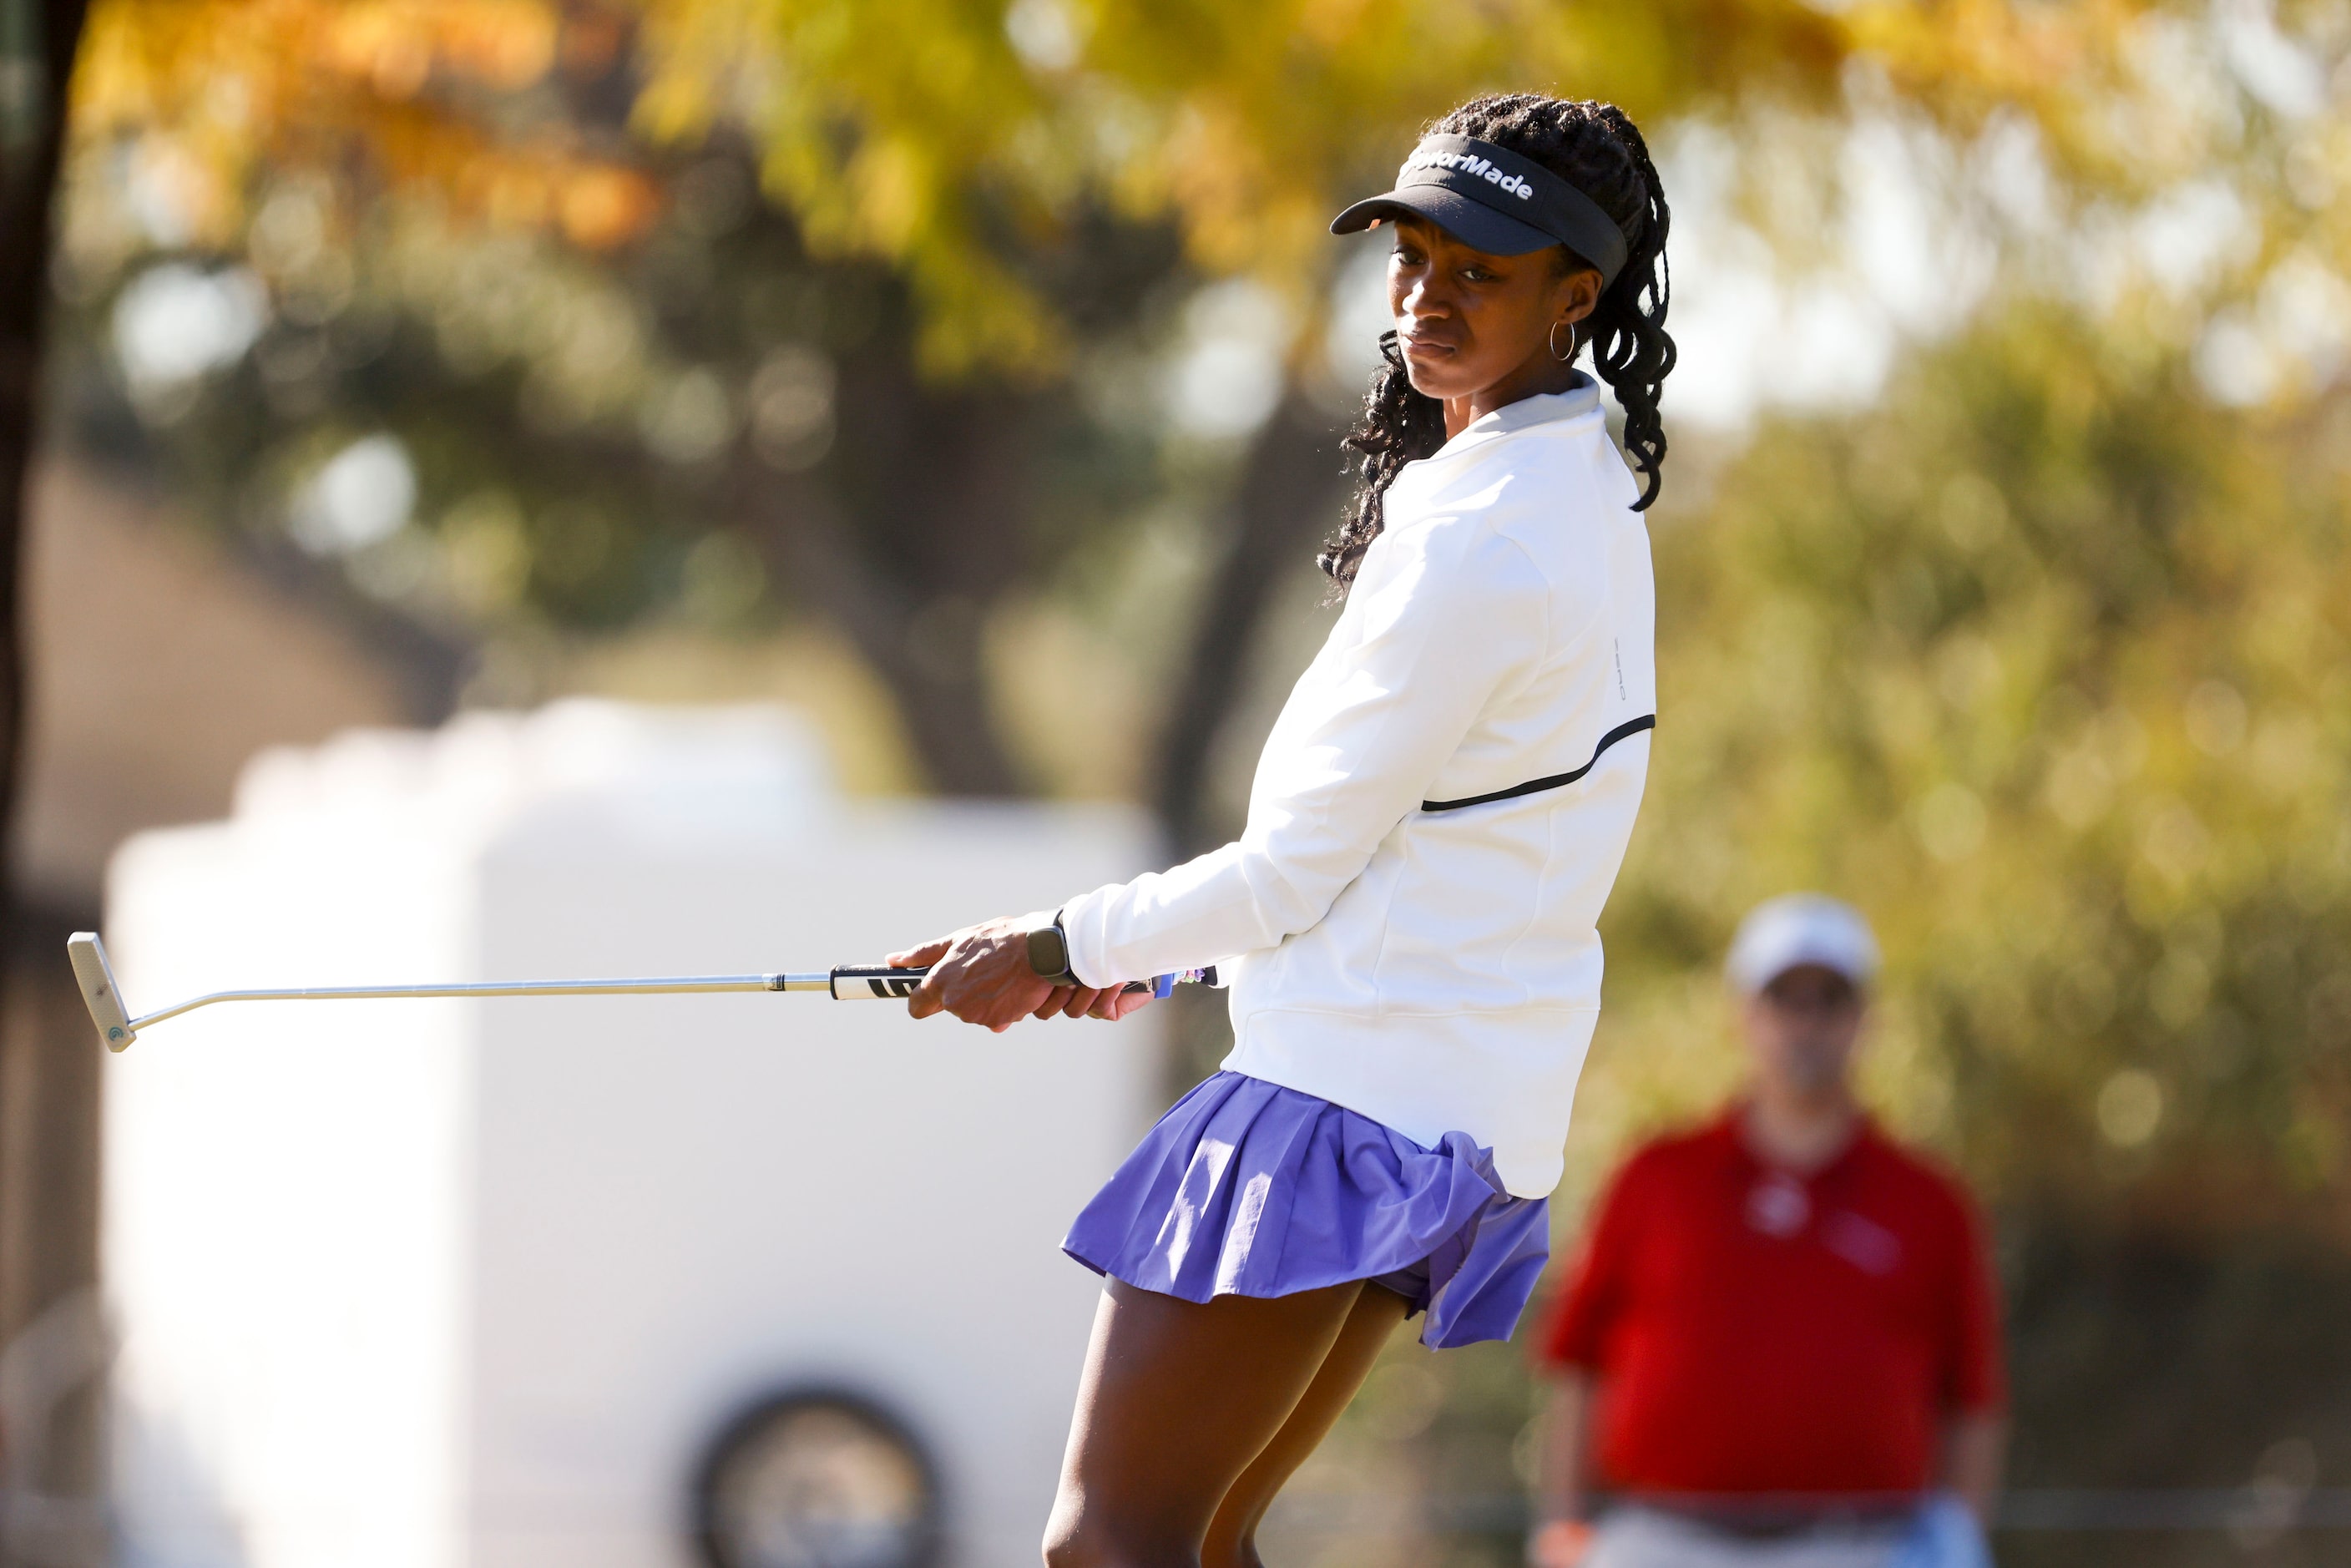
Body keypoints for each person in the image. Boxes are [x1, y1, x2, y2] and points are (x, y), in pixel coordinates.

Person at [882, 94, 1676, 1568]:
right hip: (1450, 1105)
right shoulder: (1585, 492)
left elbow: (1291, 872)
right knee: (1202, 1535)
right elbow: (1435, 850)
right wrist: (1149, 962)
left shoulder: (1481, 535)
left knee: (1110, 1542)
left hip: (1345, 1096)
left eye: (1480, 274)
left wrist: (1051, 941)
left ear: (1578, 295)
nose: (1429, 301)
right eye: (1414, 261)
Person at [1527, 894, 2008, 1568]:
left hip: (1864, 1545)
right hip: (1662, 1542)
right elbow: (1578, 1366)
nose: (1805, 1024)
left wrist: (1959, 1535)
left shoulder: (1929, 1201)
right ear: (1745, 1015)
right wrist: (1564, 1527)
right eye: (1785, 1000)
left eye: (1829, 1002)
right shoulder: (1656, 1178)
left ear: (1864, 1019)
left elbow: (1973, 1399)